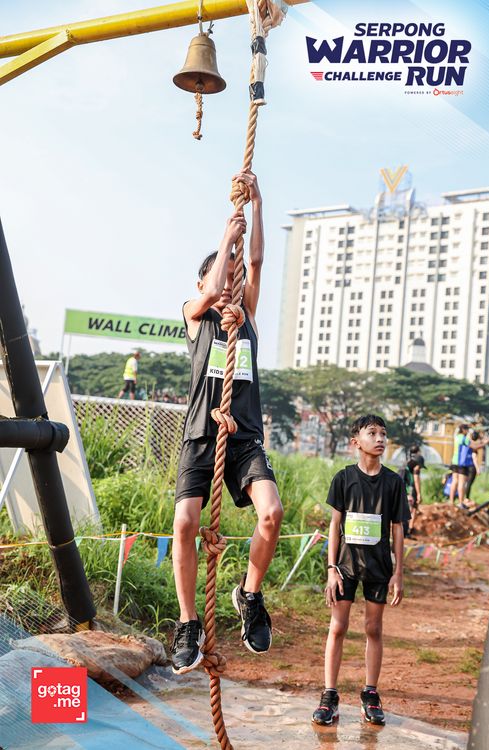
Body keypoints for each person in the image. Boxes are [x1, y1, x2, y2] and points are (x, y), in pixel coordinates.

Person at [170, 170, 283, 675]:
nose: (230, 282)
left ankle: (249, 595)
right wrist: (227, 234)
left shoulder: (248, 317)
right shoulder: (196, 314)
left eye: (234, 277)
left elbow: (255, 262)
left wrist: (257, 204)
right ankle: (188, 623)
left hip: (245, 440)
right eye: (222, 275)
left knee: (271, 512)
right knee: (185, 523)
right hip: (201, 436)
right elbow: (214, 285)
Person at [312, 414, 410, 727]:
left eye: (383, 434)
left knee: (373, 628)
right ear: (356, 442)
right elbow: (335, 525)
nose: (380, 439)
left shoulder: (394, 482)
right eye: (372, 433)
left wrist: (398, 572)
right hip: (345, 567)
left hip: (379, 567)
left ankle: (370, 694)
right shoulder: (343, 478)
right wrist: (331, 569)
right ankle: (329, 696)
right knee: (337, 627)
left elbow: (398, 528)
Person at [449, 425, 488, 509]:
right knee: (461, 482)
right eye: (466, 429)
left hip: (454, 461)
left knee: (454, 481)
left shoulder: (457, 437)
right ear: (463, 429)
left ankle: (451, 501)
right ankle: (461, 502)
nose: (467, 431)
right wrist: (485, 443)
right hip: (461, 463)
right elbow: (474, 446)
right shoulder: (464, 438)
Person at [403, 446, 425, 539]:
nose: (419, 469)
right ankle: (406, 531)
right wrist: (419, 494)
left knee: (411, 510)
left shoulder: (406, 464)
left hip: (406, 491)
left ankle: (408, 531)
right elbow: (416, 480)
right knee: (411, 510)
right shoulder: (414, 466)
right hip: (409, 491)